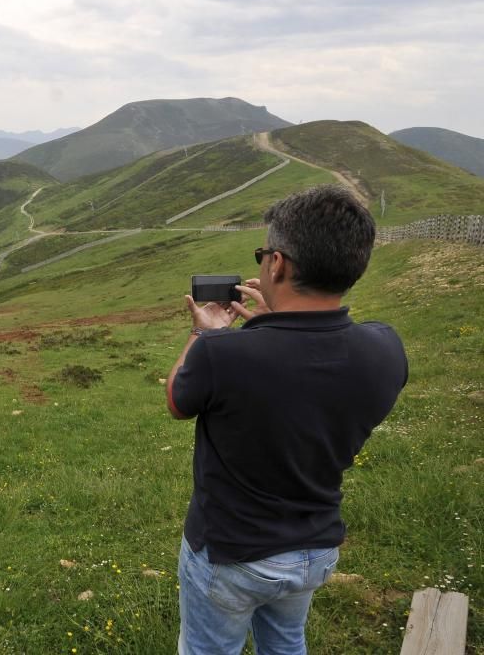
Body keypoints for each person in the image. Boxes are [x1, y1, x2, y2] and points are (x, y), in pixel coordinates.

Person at [165, 185, 408, 654]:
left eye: (263, 255)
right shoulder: (386, 349)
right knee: (287, 643)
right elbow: (319, 357)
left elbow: (177, 400)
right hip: (313, 552)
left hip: (231, 553)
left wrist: (203, 333)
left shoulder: (222, 354)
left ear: (277, 264)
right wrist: (274, 320)